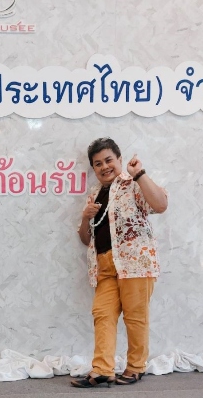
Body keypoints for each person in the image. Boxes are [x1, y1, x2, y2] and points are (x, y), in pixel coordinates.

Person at [71, 138, 168, 388]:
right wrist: (85, 218)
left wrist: (140, 174)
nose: (104, 167)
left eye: (108, 160)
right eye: (98, 164)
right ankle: (103, 370)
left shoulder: (133, 183)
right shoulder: (94, 195)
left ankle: (136, 367)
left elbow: (160, 205)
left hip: (135, 262)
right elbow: (86, 240)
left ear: (120, 159)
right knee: (102, 314)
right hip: (104, 266)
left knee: (135, 317)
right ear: (93, 168)